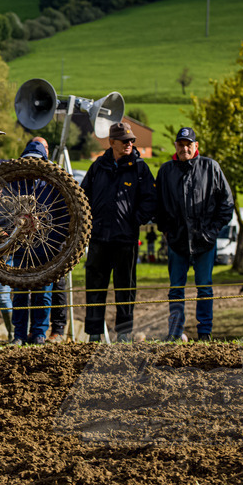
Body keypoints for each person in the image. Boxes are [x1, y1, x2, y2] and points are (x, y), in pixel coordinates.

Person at [154, 127, 234, 342]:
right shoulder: (166, 171)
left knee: (205, 288)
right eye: (181, 144)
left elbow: (227, 203)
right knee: (175, 290)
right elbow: (157, 205)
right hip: (177, 240)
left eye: (189, 144)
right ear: (176, 146)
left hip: (205, 241)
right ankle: (175, 332)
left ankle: (205, 333)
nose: (185, 148)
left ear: (196, 146)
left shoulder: (211, 167)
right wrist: (167, 230)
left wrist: (214, 230)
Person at [80, 121, 156, 342]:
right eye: (124, 141)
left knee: (126, 287)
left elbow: (150, 201)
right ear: (111, 142)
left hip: (125, 240)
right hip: (98, 239)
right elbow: (83, 196)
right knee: (94, 286)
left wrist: (135, 221)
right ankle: (94, 334)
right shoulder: (97, 167)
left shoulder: (140, 169)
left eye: (131, 141)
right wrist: (89, 224)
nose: (129, 144)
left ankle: (123, 334)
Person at [8, 138, 68, 346]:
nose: (32, 164)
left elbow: (64, 215)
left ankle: (39, 333)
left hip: (46, 247)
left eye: (36, 160)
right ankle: (19, 334)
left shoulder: (53, 183)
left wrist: (55, 242)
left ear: (44, 160)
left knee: (43, 292)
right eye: (29, 160)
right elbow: (4, 210)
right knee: (21, 291)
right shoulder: (14, 181)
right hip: (20, 246)